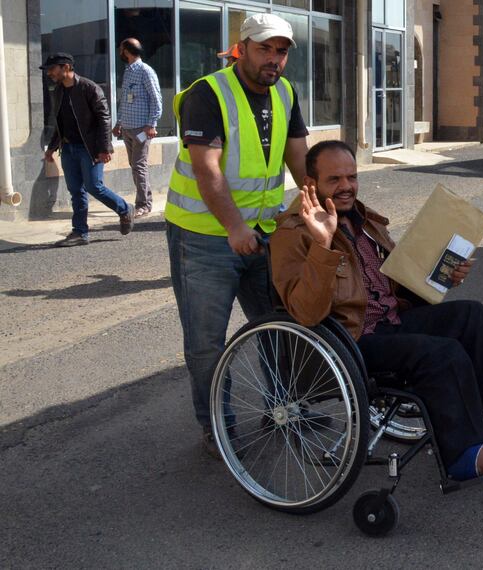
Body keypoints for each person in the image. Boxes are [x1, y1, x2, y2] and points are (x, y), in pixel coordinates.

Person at [270, 140, 483, 481]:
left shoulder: (364, 221)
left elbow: (397, 284)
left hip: (392, 319)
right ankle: (463, 453)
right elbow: (305, 312)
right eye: (334, 179)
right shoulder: (292, 234)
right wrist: (323, 243)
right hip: (352, 339)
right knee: (443, 352)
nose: (346, 186)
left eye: (351, 177)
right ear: (310, 184)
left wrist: (444, 275)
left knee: (471, 314)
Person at [165, 13, 309, 458]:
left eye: (281, 51)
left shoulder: (285, 92)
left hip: (264, 235)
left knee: (279, 327)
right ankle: (217, 429)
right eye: (265, 48)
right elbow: (208, 171)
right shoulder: (207, 94)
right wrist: (234, 227)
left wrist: (316, 210)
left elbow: (300, 162)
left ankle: (283, 409)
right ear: (241, 47)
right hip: (204, 237)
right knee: (207, 343)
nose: (274, 59)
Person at [42, 52, 134, 247]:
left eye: (52, 69)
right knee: (76, 190)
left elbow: (104, 118)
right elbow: (59, 122)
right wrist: (51, 147)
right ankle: (80, 232)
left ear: (66, 67)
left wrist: (105, 147)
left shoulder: (88, 87)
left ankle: (125, 209)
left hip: (89, 148)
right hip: (68, 148)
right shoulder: (58, 91)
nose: (49, 73)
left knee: (94, 186)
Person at [112, 38, 163, 218]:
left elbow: (156, 100)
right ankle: (144, 199)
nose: (119, 52)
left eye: (120, 48)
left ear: (126, 50)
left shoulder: (145, 71)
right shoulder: (128, 71)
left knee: (139, 166)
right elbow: (125, 100)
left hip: (142, 128)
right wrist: (119, 123)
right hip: (127, 127)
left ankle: (144, 204)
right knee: (135, 165)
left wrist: (152, 124)